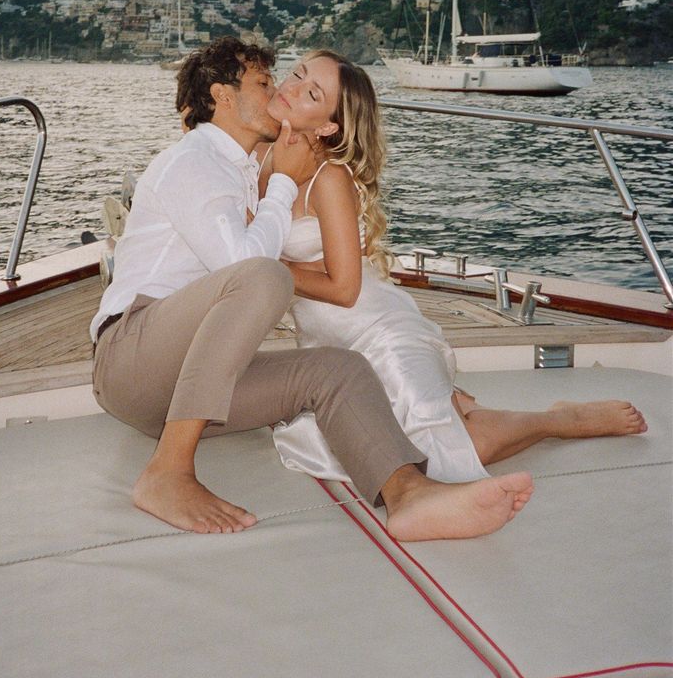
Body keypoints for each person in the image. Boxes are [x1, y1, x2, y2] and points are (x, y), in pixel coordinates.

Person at [91, 37, 534, 541]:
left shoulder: (248, 163)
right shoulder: (196, 162)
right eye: (267, 81)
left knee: (339, 370)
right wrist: (283, 181)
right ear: (227, 97)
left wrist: (279, 169)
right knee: (263, 274)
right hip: (133, 356)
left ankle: (409, 495)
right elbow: (251, 265)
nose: (282, 87)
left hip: (182, 390)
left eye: (297, 82)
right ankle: (167, 472)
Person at [256, 50, 647, 486]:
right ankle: (459, 406)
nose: (289, 88)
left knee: (427, 459)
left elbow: (345, 289)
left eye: (310, 92)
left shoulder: (329, 178)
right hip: (326, 347)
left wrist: (261, 266)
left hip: (378, 333)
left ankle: (554, 420)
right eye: (296, 74)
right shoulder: (261, 156)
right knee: (353, 445)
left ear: (329, 125)